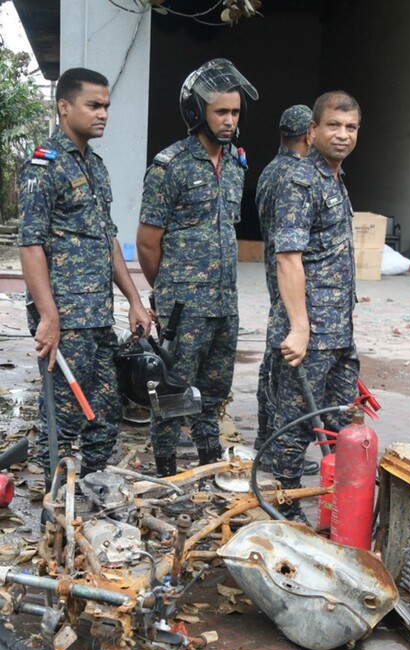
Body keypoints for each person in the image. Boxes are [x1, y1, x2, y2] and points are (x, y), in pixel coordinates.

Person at [18, 67, 151, 484]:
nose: (103, 114)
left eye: (107, 106)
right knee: (62, 413)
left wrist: (133, 299)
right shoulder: (44, 166)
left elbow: (108, 238)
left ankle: (89, 493)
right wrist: (48, 316)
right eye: (93, 105)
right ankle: (51, 497)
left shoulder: (96, 167)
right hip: (65, 317)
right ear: (64, 106)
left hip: (96, 315)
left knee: (107, 414)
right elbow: (30, 244)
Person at [136, 59, 258, 477]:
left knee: (214, 390)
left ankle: (207, 466)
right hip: (184, 307)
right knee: (172, 393)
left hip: (225, 303)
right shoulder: (169, 166)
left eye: (235, 112)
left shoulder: (237, 163)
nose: (229, 121)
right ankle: (167, 472)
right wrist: (168, 291)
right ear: (197, 112)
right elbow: (148, 243)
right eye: (220, 112)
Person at [266, 90, 361, 522]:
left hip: (337, 331)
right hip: (311, 334)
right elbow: (288, 258)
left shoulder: (334, 181)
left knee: (340, 426)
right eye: (334, 126)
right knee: (294, 428)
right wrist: (300, 327)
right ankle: (283, 518)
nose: (343, 135)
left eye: (351, 127)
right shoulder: (300, 181)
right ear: (313, 131)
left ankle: (335, 514)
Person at [254, 104, 318, 475]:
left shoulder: (268, 171)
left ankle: (266, 437)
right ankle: (283, 451)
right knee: (290, 364)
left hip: (271, 270)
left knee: (273, 356)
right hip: (291, 274)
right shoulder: (298, 174)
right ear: (310, 133)